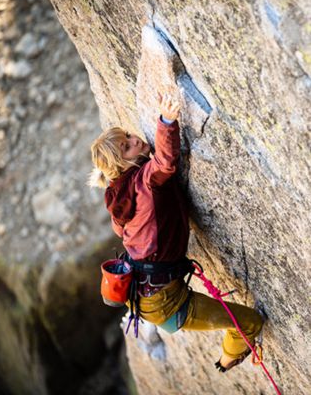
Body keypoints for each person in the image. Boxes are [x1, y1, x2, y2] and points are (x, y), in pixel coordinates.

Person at [90, 93, 263, 372]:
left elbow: (121, 230)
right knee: (250, 322)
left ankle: (150, 325)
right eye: (126, 147)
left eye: (129, 136)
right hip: (166, 304)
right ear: (123, 164)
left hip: (147, 291)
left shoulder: (116, 194)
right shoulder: (144, 180)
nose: (135, 140)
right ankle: (227, 360)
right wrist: (167, 122)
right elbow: (165, 164)